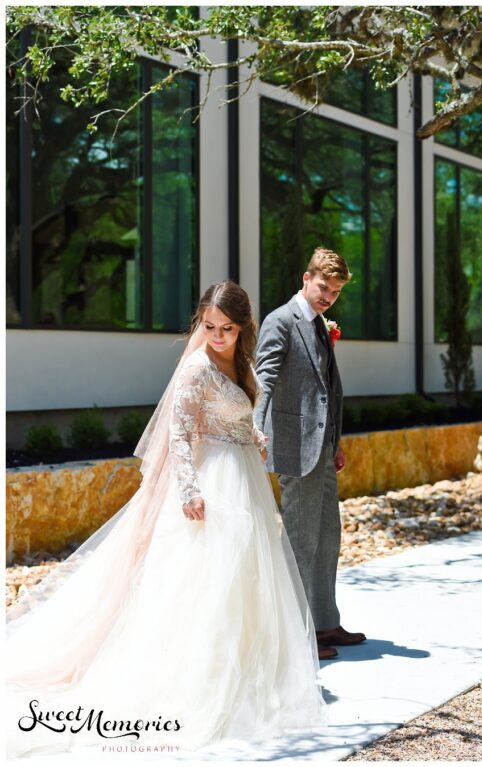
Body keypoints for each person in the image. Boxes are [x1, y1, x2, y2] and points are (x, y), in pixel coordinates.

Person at [6, 281, 326, 755]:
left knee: (243, 577)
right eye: (210, 326)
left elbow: (241, 416)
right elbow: (178, 432)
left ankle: (248, 676)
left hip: (244, 478)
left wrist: (255, 440)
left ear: (243, 328)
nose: (217, 336)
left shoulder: (242, 363)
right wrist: (189, 490)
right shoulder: (196, 368)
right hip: (210, 482)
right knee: (206, 580)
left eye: (228, 329)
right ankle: (199, 682)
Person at [253, 247, 365, 661]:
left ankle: (324, 621)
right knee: (300, 540)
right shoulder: (280, 320)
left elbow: (326, 390)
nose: (328, 297)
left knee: (327, 536)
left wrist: (335, 442)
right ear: (306, 277)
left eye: (335, 292)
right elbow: (263, 377)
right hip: (293, 446)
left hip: (322, 448)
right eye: (323, 288)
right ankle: (297, 632)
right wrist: (255, 427)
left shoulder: (320, 324)